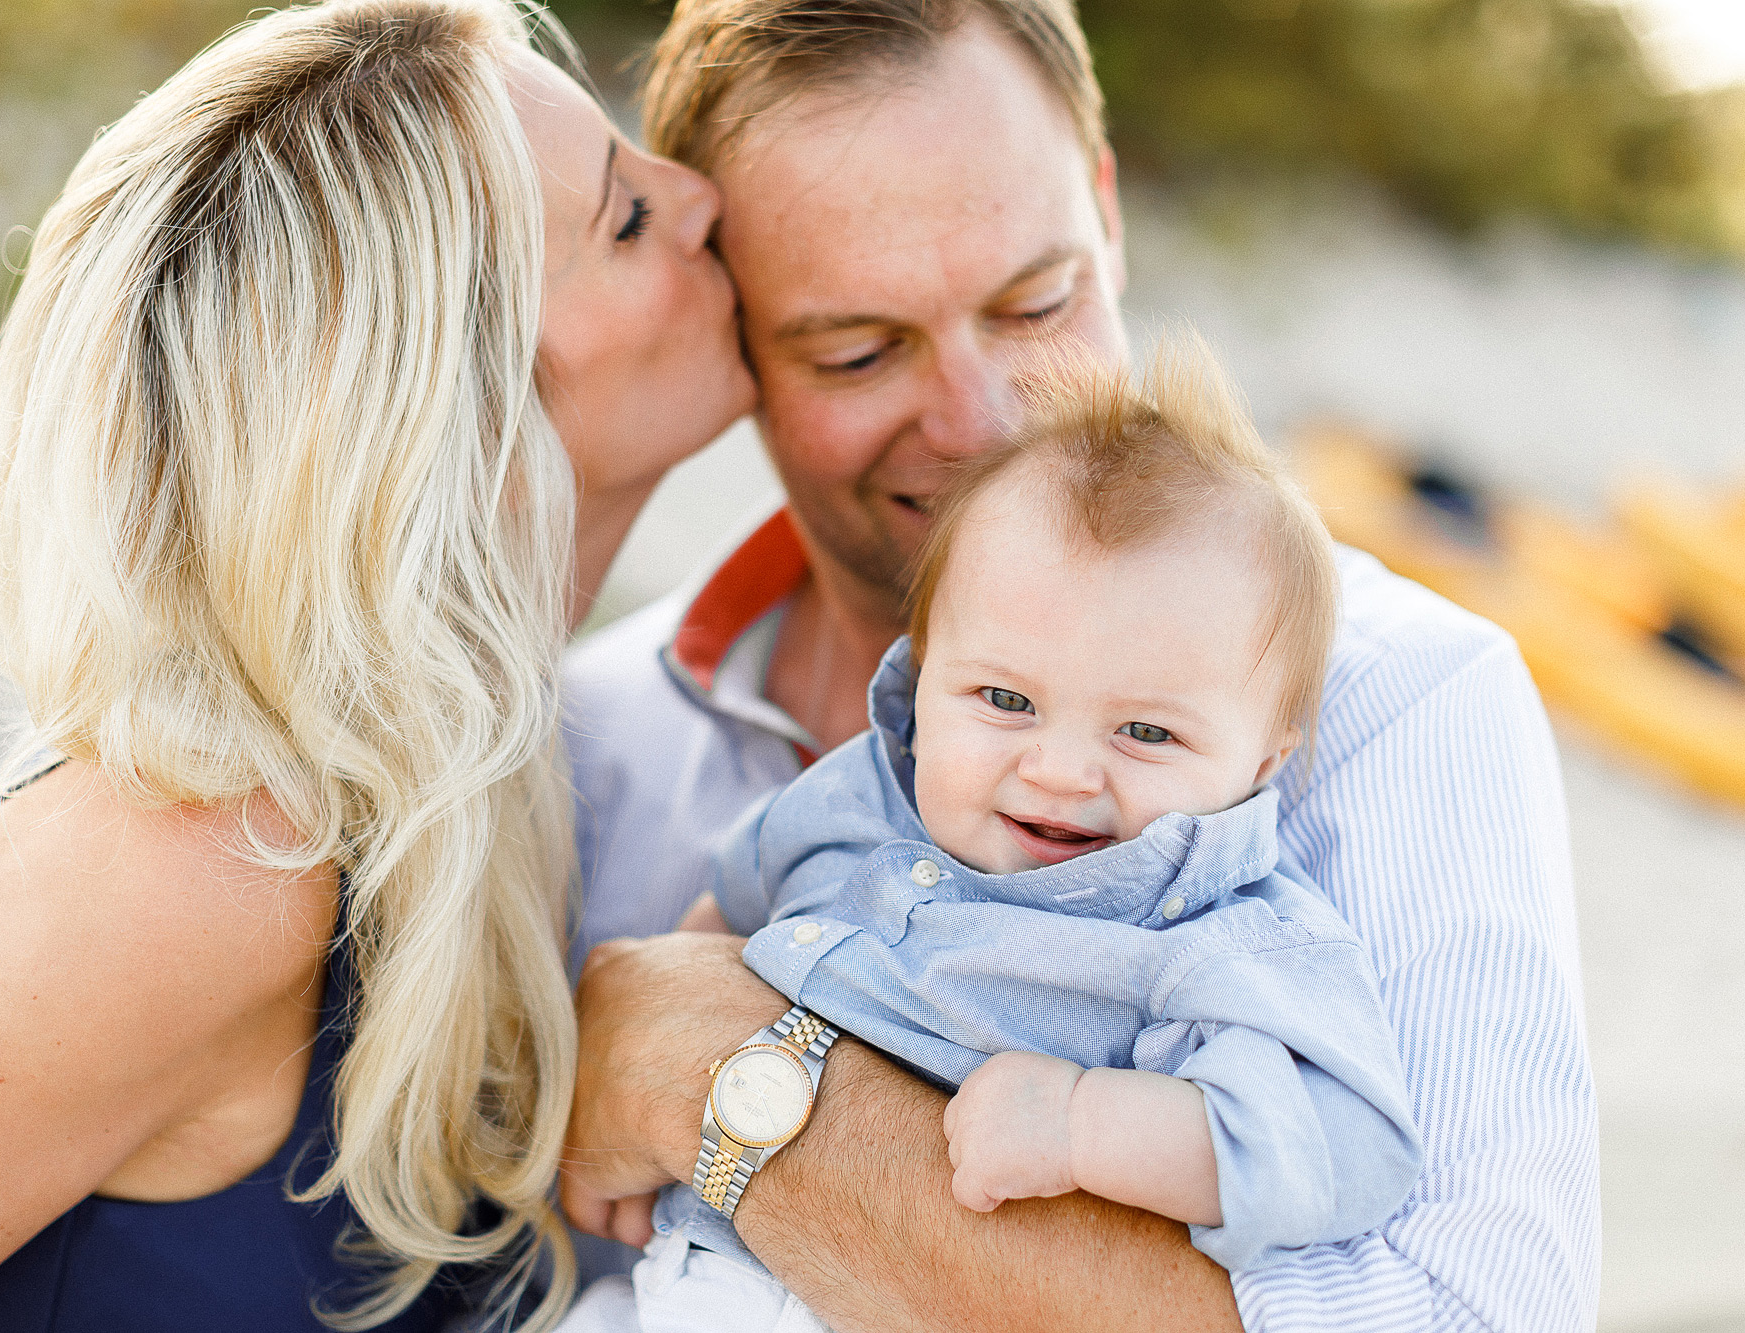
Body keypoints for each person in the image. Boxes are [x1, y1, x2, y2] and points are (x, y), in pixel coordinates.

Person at [556, 0, 1600, 1328]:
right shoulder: (587, 736)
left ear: (1106, 213)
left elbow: (1471, 1312)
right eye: (857, 350)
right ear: (741, 342)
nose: (986, 422)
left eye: (1036, 301)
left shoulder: (1403, 695)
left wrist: (723, 1070)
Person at [0, 1, 752, 1329]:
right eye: (623, 218)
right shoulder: (193, 867)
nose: (699, 193)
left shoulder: (474, 798)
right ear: (459, 414)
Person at [564, 343, 1424, 1333]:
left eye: (1144, 731)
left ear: (1267, 759)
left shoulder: (1210, 944)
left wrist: (1080, 1126)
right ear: (923, 676)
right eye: (1005, 699)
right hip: (692, 1272)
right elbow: (720, 924)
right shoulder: (854, 800)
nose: (1059, 770)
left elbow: (1340, 1148)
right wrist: (661, 1112)